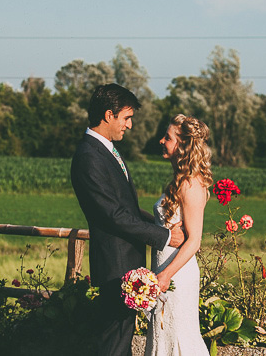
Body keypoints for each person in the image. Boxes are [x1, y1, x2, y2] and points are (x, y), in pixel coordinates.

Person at [71, 83, 186, 356]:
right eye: (126, 117)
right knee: (113, 344)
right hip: (115, 264)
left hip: (125, 262)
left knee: (119, 341)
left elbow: (127, 208)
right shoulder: (89, 156)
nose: (130, 125)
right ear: (108, 115)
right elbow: (113, 215)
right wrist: (166, 237)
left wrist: (159, 224)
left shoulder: (105, 149)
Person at [145, 114, 213, 356]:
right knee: (162, 335)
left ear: (183, 145)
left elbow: (194, 240)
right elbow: (165, 221)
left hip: (177, 274)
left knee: (179, 336)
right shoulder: (178, 181)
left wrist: (164, 276)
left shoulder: (191, 184)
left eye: (168, 138)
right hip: (165, 269)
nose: (162, 141)